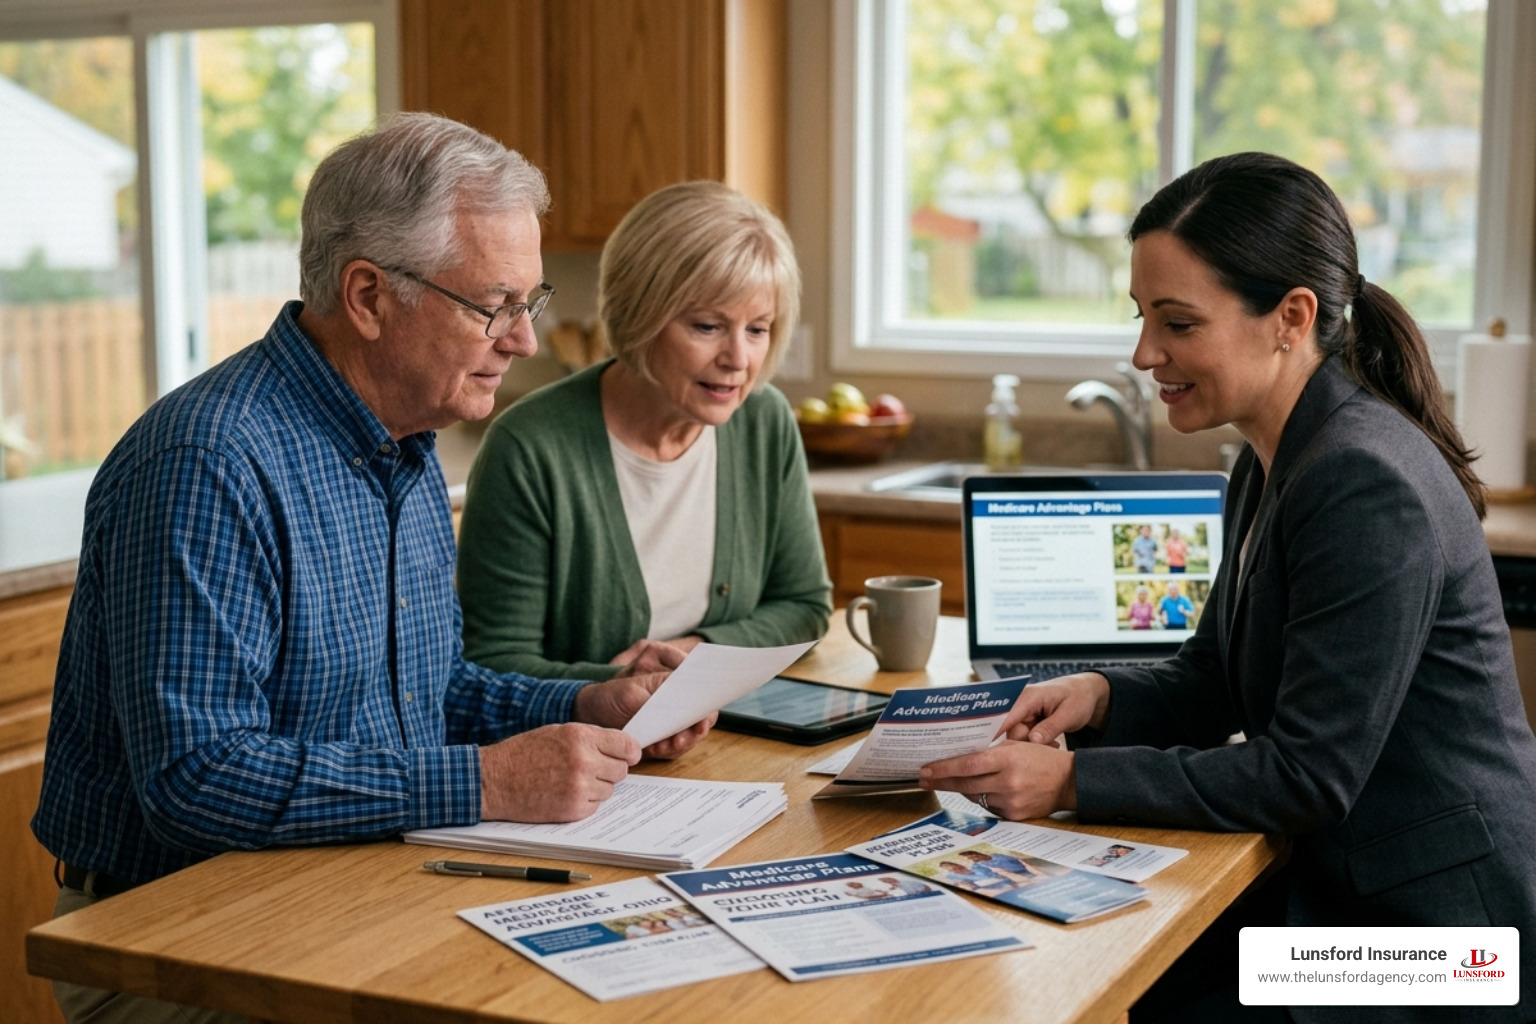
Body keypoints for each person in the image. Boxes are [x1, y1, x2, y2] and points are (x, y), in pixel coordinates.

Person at [31, 113, 711, 1024]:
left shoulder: (406, 441)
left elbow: (419, 693)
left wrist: (585, 703)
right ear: (368, 296)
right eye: (494, 305)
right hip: (173, 944)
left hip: (347, 889)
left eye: (530, 304)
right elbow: (197, 777)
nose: (525, 342)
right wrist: (488, 782)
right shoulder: (208, 462)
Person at [919, 152, 1536, 1024]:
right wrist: (1094, 696)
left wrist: (1066, 787)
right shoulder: (1276, 452)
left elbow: (1305, 777)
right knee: (1111, 963)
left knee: (1134, 992)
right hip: (1356, 894)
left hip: (1444, 942)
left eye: (1178, 323)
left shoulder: (1364, 480)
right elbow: (1211, 679)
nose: (1144, 353)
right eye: (1142, 317)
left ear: (1291, 317)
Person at [456, 180, 832, 680]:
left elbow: (805, 607)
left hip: (729, 734)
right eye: (707, 326)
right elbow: (493, 666)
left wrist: (694, 654)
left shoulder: (764, 421)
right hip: (588, 747)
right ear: (639, 315)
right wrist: (626, 688)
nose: (738, 360)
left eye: (758, 329)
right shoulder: (529, 448)